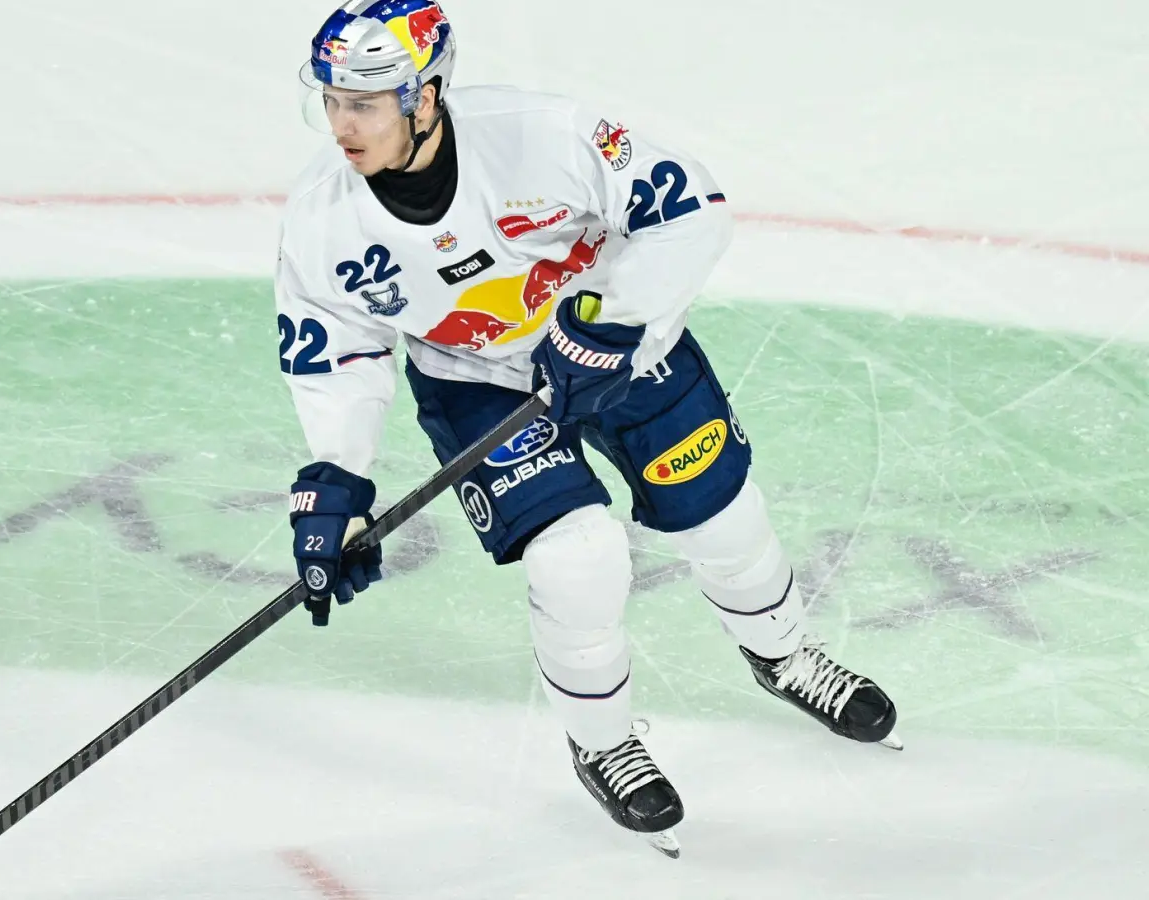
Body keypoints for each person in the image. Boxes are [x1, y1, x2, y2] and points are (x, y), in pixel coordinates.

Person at [274, 0, 900, 856]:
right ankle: (605, 743)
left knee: (724, 521)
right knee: (577, 557)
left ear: (425, 98)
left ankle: (784, 655)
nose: (341, 125)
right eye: (331, 100)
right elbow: (335, 353)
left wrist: (613, 322)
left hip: (621, 350)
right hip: (478, 383)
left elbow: (693, 209)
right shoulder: (322, 219)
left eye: (364, 104)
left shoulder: (542, 137)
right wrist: (338, 477)